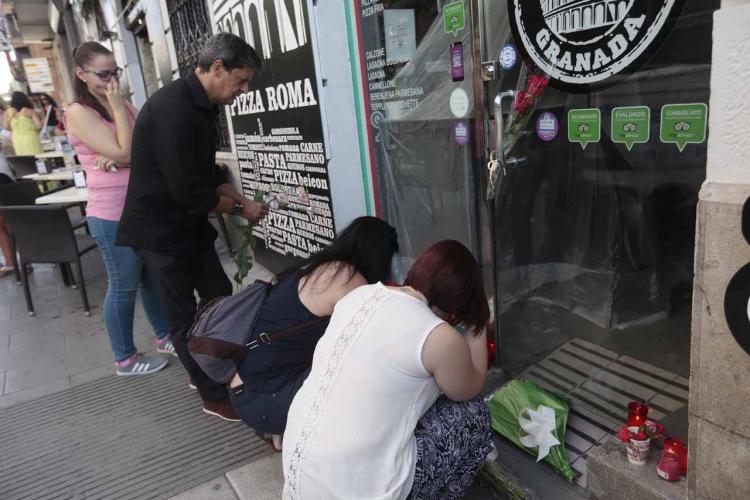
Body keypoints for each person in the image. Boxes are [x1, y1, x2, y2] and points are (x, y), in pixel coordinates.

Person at [116, 33, 268, 421]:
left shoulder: (204, 106)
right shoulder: (174, 110)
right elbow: (188, 193)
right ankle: (212, 394)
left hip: (187, 225)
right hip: (160, 231)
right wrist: (239, 210)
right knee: (183, 317)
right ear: (218, 68)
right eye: (241, 80)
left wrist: (240, 199)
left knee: (218, 294)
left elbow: (210, 173)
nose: (244, 89)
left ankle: (209, 363)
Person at [282, 240, 493, 500]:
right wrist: (478, 323)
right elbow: (470, 387)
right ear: (461, 302)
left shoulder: (360, 295)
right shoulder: (438, 336)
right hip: (359, 491)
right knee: (474, 414)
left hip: (299, 473)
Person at [228, 216, 399, 451]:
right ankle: (289, 428)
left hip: (245, 388)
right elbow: (380, 336)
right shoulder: (348, 280)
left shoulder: (315, 267)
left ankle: (282, 429)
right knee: (356, 368)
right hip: (262, 400)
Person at [65, 41, 172, 375]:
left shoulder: (119, 103)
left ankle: (165, 335)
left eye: (115, 72)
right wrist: (119, 141)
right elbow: (126, 152)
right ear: (81, 74)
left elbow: (150, 140)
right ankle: (125, 358)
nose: (111, 79)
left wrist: (119, 146)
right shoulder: (79, 112)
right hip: (111, 214)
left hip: (140, 207)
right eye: (103, 74)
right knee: (123, 285)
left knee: (151, 279)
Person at [5, 91, 42, 155]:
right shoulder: (29, 111)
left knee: (24, 159)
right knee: (37, 158)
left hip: (17, 139)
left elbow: (6, 127)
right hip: (31, 137)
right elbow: (39, 126)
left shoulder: (8, 112)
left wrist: (16, 129)